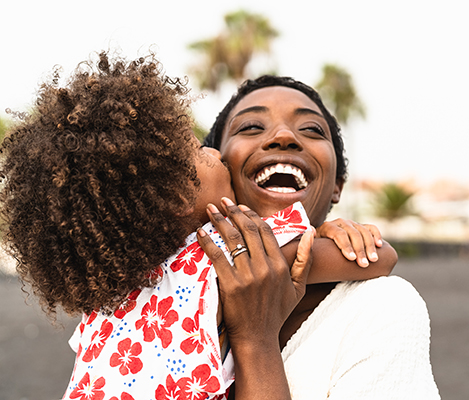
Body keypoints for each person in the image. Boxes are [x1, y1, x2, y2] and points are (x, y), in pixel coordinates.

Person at [0, 52, 396, 400]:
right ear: (173, 197)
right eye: (194, 151)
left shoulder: (107, 308)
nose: (210, 151)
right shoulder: (220, 255)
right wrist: (328, 232)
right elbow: (375, 257)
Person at [204, 75, 441, 399]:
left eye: (312, 130)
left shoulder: (378, 308)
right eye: (250, 127)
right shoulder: (155, 279)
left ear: (337, 187)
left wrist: (255, 341)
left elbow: (382, 255)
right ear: (216, 165)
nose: (284, 136)